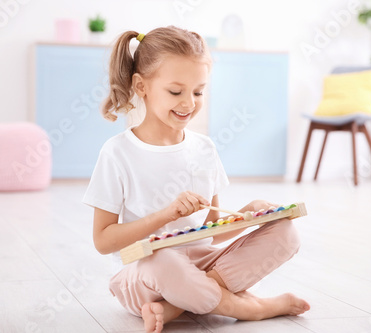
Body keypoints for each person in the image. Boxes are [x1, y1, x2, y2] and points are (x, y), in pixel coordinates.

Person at [83, 26, 310, 333]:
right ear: (141, 86)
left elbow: (210, 232)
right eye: (175, 92)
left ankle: (176, 306)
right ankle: (250, 307)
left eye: (198, 91)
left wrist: (247, 215)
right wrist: (165, 215)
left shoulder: (204, 148)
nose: (188, 103)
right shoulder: (117, 153)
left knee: (287, 233)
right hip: (144, 273)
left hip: (202, 264)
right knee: (164, 261)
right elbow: (103, 241)